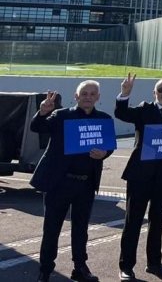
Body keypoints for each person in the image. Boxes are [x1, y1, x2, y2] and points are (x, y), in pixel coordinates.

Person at [31, 81, 112, 282]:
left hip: (85, 184)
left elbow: (108, 146)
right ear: (76, 96)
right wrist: (42, 112)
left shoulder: (104, 119)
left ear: (98, 97)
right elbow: (37, 127)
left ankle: (80, 267)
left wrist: (104, 153)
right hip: (59, 183)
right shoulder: (62, 115)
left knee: (81, 229)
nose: (88, 96)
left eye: (92, 94)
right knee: (51, 228)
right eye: (84, 93)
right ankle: (45, 269)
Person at [115, 74, 162, 280]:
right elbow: (122, 113)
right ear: (154, 93)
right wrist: (125, 93)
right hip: (140, 175)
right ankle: (126, 265)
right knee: (133, 221)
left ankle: (154, 263)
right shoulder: (145, 109)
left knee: (157, 220)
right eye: (161, 90)